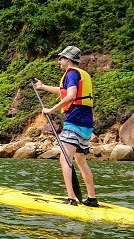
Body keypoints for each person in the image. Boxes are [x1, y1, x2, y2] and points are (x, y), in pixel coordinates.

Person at [33, 46, 98, 207]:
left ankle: (71, 198)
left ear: (68, 60)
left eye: (61, 58)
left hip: (74, 121)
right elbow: (64, 91)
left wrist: (51, 110)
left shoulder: (71, 74)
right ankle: (92, 199)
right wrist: (43, 87)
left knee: (65, 159)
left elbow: (71, 96)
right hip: (87, 123)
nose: (59, 61)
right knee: (81, 160)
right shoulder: (80, 74)